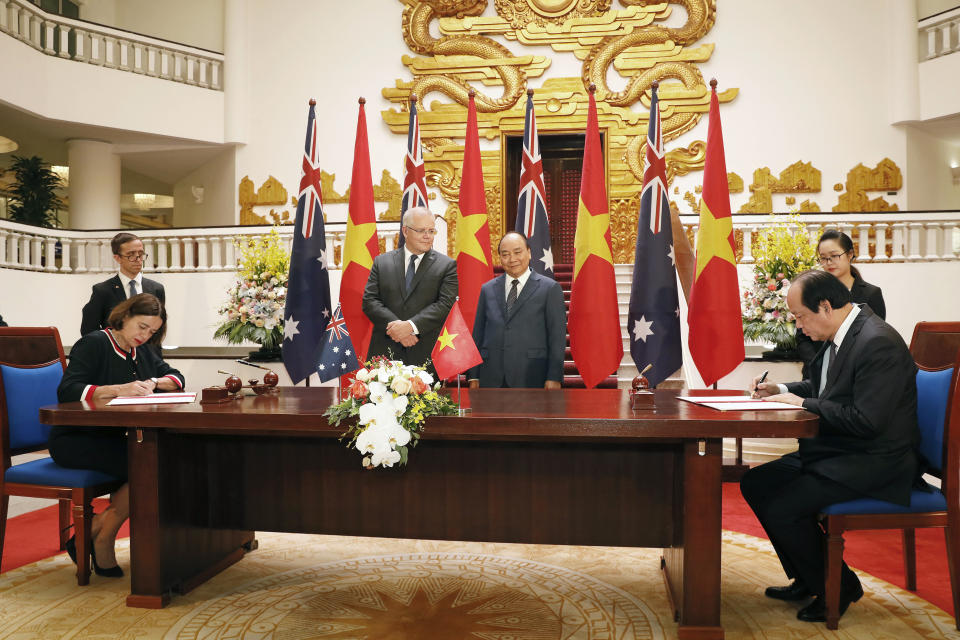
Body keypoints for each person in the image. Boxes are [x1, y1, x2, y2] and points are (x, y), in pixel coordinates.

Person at [741, 269, 919, 623]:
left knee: (783, 506)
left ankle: (839, 586)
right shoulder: (843, 334)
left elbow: (866, 420)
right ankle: (807, 578)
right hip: (841, 451)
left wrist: (803, 405)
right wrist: (782, 391)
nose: (798, 326)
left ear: (824, 306)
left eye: (800, 316)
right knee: (755, 482)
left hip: (875, 460)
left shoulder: (876, 341)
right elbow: (823, 390)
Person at [51, 293, 184, 578]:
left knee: (159, 459)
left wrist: (153, 381)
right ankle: (101, 537)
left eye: (152, 331)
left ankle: (95, 532)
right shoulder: (95, 343)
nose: (145, 335)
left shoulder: (143, 351)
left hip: (111, 440)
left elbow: (176, 378)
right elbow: (68, 390)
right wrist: (118, 389)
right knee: (151, 466)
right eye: (141, 327)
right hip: (75, 440)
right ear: (124, 317)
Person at [362, 207, 458, 371]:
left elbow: (445, 304)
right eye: (421, 231)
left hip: (423, 352)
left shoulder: (446, 266)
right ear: (405, 231)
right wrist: (397, 330)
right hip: (385, 352)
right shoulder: (382, 262)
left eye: (431, 231)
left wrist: (411, 327)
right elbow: (370, 301)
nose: (427, 236)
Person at [468, 231, 566, 389]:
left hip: (533, 375)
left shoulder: (549, 288)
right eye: (505, 254)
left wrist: (554, 376)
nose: (512, 259)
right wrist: (473, 376)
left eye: (517, 252)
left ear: (529, 252)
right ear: (499, 257)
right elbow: (478, 334)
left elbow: (557, 337)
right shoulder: (487, 289)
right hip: (491, 376)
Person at [797, 229, 885, 378]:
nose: (829, 263)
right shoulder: (813, 292)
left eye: (834, 256)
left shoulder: (871, 294)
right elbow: (802, 338)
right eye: (823, 258)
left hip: (855, 374)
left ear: (850, 254)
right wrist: (819, 363)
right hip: (817, 374)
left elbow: (875, 338)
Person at [80, 232, 165, 336]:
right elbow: (89, 330)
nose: (138, 260)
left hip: (148, 351)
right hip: (115, 351)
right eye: (131, 255)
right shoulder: (102, 290)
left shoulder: (156, 289)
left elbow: (159, 327)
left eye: (141, 254)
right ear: (117, 258)